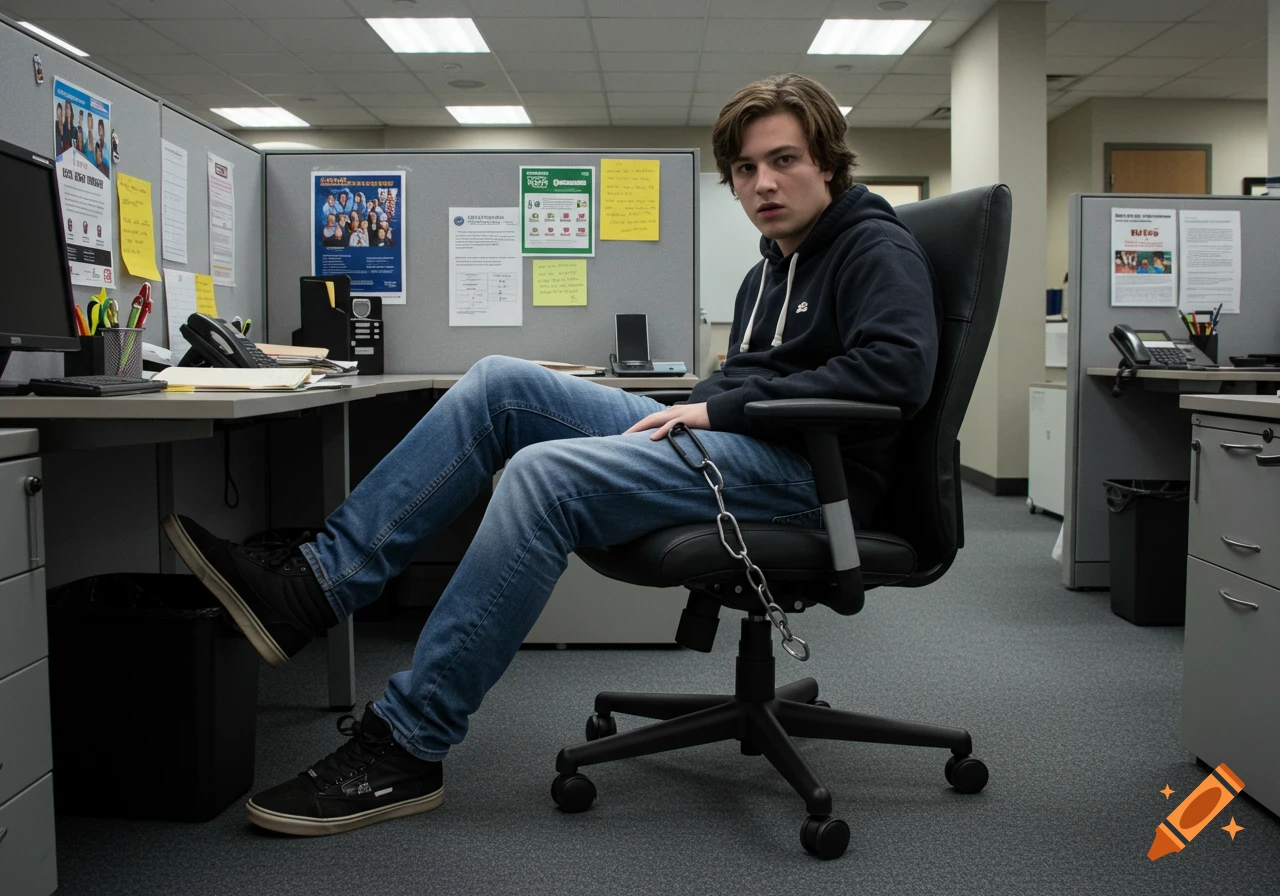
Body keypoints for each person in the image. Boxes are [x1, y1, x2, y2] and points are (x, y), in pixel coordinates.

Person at [159, 72, 940, 838]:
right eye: (745, 169)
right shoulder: (766, 272)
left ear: (829, 165)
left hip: (810, 478)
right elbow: (745, 379)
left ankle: (407, 744)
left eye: (785, 160)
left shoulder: (875, 247)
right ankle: (316, 585)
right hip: (740, 447)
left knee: (543, 475)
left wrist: (716, 408)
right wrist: (694, 411)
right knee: (500, 383)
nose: (763, 183)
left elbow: (895, 373)